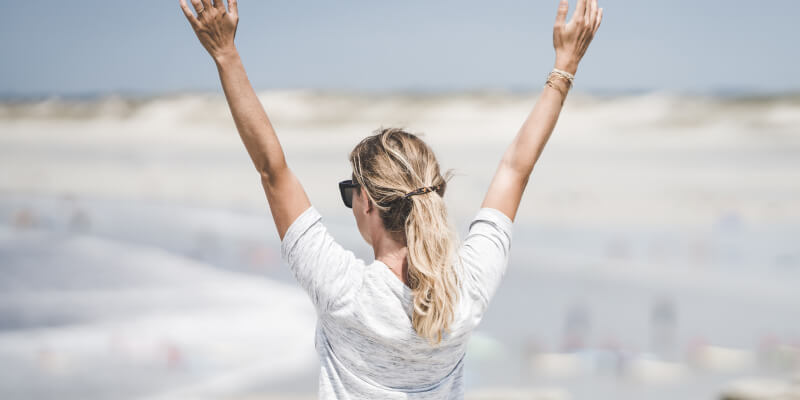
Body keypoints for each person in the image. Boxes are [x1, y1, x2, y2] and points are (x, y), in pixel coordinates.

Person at [179, 0, 602, 398]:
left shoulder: (344, 293)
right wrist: (564, 66)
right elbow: (515, 169)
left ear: (367, 202)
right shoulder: (465, 293)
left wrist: (225, 54)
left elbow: (273, 170)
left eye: (351, 192)